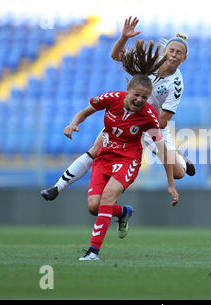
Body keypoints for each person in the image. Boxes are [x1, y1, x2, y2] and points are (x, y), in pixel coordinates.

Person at [40, 16, 194, 202]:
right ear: (165, 51)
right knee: (95, 150)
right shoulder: (149, 63)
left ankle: (179, 156)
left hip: (151, 125)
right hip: (126, 115)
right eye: (172, 50)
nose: (174, 54)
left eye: (179, 53)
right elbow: (116, 56)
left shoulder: (176, 84)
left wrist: (142, 125)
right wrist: (123, 37)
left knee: (178, 173)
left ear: (184, 58)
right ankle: (57, 187)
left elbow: (162, 121)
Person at [67, 40, 179, 261]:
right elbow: (85, 111)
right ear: (127, 91)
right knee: (94, 207)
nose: (139, 100)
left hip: (129, 158)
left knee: (108, 197)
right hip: (106, 155)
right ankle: (124, 212)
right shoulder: (112, 99)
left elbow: (163, 150)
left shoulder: (148, 116)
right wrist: (73, 123)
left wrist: (171, 184)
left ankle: (93, 252)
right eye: (136, 95)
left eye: (144, 97)